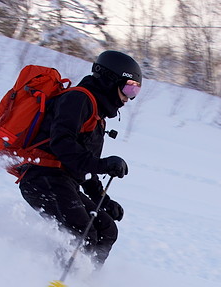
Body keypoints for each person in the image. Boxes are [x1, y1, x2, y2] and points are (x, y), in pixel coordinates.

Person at [17, 51, 142, 266]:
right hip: (42, 178)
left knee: (106, 229)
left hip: (62, 182)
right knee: (83, 232)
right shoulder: (78, 99)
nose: (129, 97)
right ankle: (58, 282)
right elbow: (62, 144)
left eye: (135, 91)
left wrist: (103, 201)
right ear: (110, 79)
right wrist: (104, 164)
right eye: (129, 87)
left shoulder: (97, 115)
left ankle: (88, 283)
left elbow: (83, 166)